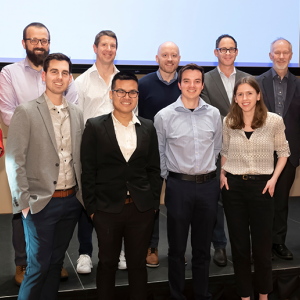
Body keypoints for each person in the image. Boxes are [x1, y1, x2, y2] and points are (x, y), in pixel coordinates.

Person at [0, 22, 77, 284]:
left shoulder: (62, 74)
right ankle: (24, 264)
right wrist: (36, 124)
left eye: (44, 40)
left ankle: (52, 262)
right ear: (24, 43)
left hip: (59, 149)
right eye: (34, 40)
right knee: (22, 208)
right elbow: (8, 113)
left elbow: (72, 108)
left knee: (57, 211)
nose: (39, 45)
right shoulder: (9, 73)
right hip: (29, 147)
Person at [81, 71, 161, 300]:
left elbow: (154, 169)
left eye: (132, 92)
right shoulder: (95, 126)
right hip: (106, 209)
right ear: (111, 94)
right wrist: (92, 209)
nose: (127, 96)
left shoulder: (148, 127)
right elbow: (88, 171)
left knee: (137, 265)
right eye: (121, 91)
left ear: (138, 95)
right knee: (106, 264)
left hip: (141, 209)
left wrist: (153, 205)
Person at [154, 63, 222, 300]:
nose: (191, 85)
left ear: (202, 85)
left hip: (208, 187)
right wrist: (171, 180)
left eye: (196, 81)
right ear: (179, 84)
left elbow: (216, 149)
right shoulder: (164, 116)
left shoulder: (214, 115)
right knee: (177, 248)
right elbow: (160, 152)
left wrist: (204, 173)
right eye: (187, 81)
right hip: (178, 187)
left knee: (203, 248)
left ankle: (202, 294)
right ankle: (177, 295)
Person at [220, 76, 290, 300]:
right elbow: (224, 152)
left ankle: (263, 295)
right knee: (239, 247)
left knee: (262, 247)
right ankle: (244, 296)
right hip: (234, 188)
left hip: (262, 187)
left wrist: (273, 180)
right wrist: (222, 174)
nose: (244, 98)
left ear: (258, 95)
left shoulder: (274, 121)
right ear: (235, 98)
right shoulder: (229, 120)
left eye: (249, 93)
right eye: (240, 94)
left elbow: (284, 153)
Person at [75, 30, 130, 272]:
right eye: (104, 45)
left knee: (118, 201)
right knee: (88, 201)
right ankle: (85, 253)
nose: (109, 49)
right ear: (95, 48)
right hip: (92, 151)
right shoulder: (81, 81)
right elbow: (77, 119)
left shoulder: (124, 80)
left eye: (113, 45)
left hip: (120, 152)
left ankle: (119, 251)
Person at [201, 34, 249, 267]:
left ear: (237, 52)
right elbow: (207, 111)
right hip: (218, 146)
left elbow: (256, 107)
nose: (227, 53)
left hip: (246, 147)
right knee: (218, 198)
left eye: (231, 49)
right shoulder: (206, 79)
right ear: (216, 52)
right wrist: (235, 122)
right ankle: (219, 246)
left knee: (243, 197)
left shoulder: (249, 79)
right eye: (223, 49)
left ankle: (243, 246)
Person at [138, 41, 181, 267]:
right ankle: (151, 246)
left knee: (177, 205)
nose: (170, 59)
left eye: (174, 55)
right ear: (157, 58)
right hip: (150, 153)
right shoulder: (143, 84)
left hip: (180, 154)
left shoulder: (186, 84)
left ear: (179, 59)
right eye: (165, 55)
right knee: (152, 202)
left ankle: (177, 249)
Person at [256, 38, 300, 260]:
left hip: (289, 155)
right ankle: (260, 245)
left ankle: (278, 242)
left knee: (281, 201)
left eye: (286, 53)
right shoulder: (257, 82)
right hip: (261, 153)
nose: (281, 56)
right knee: (261, 202)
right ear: (270, 55)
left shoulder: (299, 85)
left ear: (291, 55)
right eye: (277, 53)